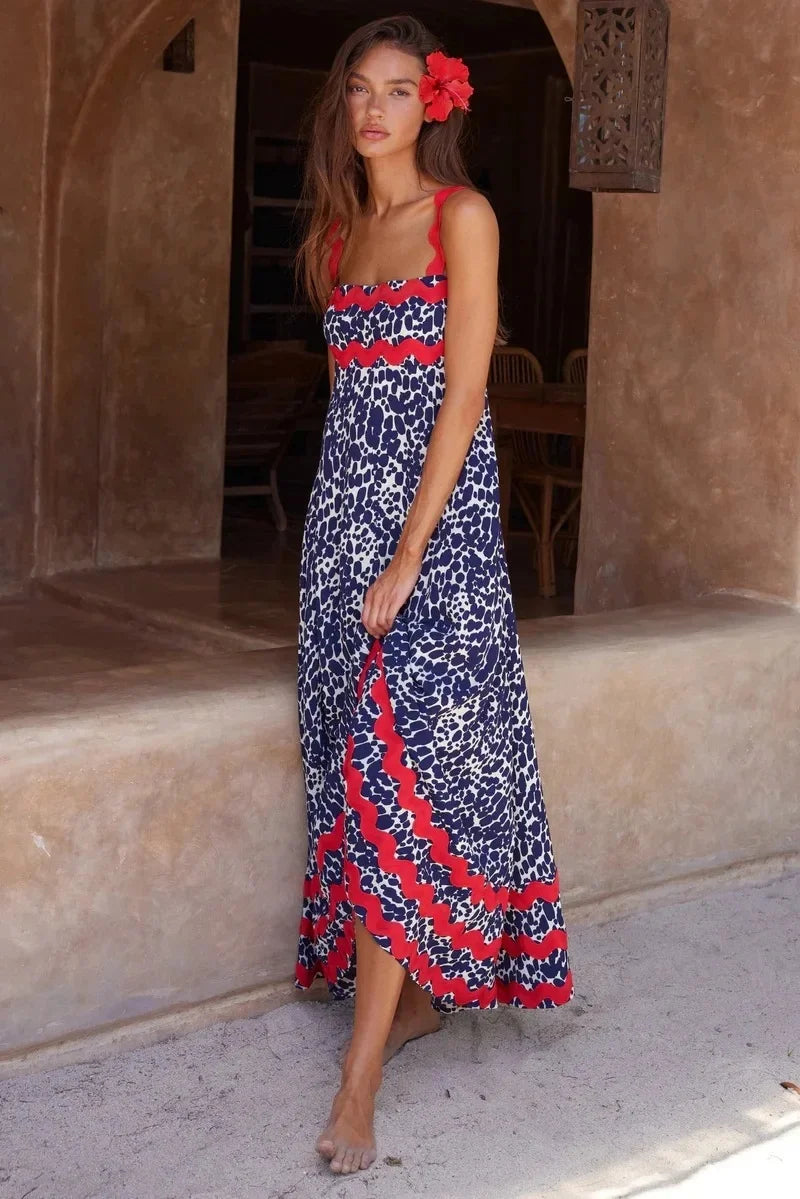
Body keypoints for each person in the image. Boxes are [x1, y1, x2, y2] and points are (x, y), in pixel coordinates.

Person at [294, 14, 574, 1176]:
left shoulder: (464, 218)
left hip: (437, 542)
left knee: (410, 767)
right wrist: (342, 548)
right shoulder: (336, 233)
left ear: (433, 105)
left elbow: (462, 395)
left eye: (398, 91)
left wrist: (408, 553)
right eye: (360, 90)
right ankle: (402, 1007)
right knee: (356, 771)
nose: (374, 110)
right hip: (335, 531)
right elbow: (346, 406)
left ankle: (356, 1082)